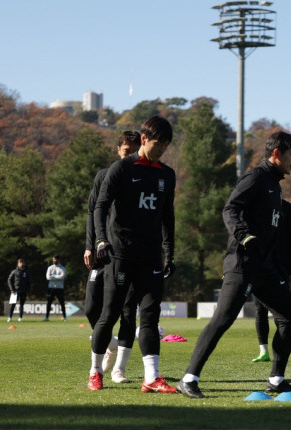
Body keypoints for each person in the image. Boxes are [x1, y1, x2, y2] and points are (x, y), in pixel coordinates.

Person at [177, 131, 291, 399]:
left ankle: (277, 379)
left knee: (289, 316)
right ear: (277, 153)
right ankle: (188, 378)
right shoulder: (256, 178)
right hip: (242, 264)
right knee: (223, 319)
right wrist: (245, 236)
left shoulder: (275, 185)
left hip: (264, 268)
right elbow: (229, 209)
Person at [88, 116, 177, 393]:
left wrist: (169, 252)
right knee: (110, 314)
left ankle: (151, 377)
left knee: (150, 316)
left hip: (150, 257)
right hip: (120, 254)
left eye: (165, 145)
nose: (161, 149)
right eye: (157, 143)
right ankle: (95, 371)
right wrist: (101, 240)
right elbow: (100, 207)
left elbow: (168, 217)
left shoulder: (166, 174)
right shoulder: (121, 169)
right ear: (143, 139)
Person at [84, 131, 141, 383]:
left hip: (131, 252)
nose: (130, 155)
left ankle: (119, 369)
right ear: (118, 149)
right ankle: (110, 343)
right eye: (126, 150)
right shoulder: (104, 175)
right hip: (102, 250)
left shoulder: (145, 177)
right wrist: (90, 245)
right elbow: (92, 212)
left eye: (135, 150)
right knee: (91, 307)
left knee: (128, 310)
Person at [252, 198, 291, 363]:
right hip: (260, 265)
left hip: (281, 267)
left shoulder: (287, 208)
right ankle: (263, 351)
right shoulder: (257, 206)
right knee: (259, 310)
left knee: (280, 311)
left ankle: (279, 350)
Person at [44, 255, 67, 321]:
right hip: (51, 288)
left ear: (59, 260)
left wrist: (53, 276)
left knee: (62, 303)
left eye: (55, 259)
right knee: (49, 303)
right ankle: (46, 317)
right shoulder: (50, 268)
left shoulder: (62, 268)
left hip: (60, 288)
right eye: (53, 259)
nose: (54, 261)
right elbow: (48, 277)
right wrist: (57, 276)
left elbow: (62, 277)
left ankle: (64, 317)